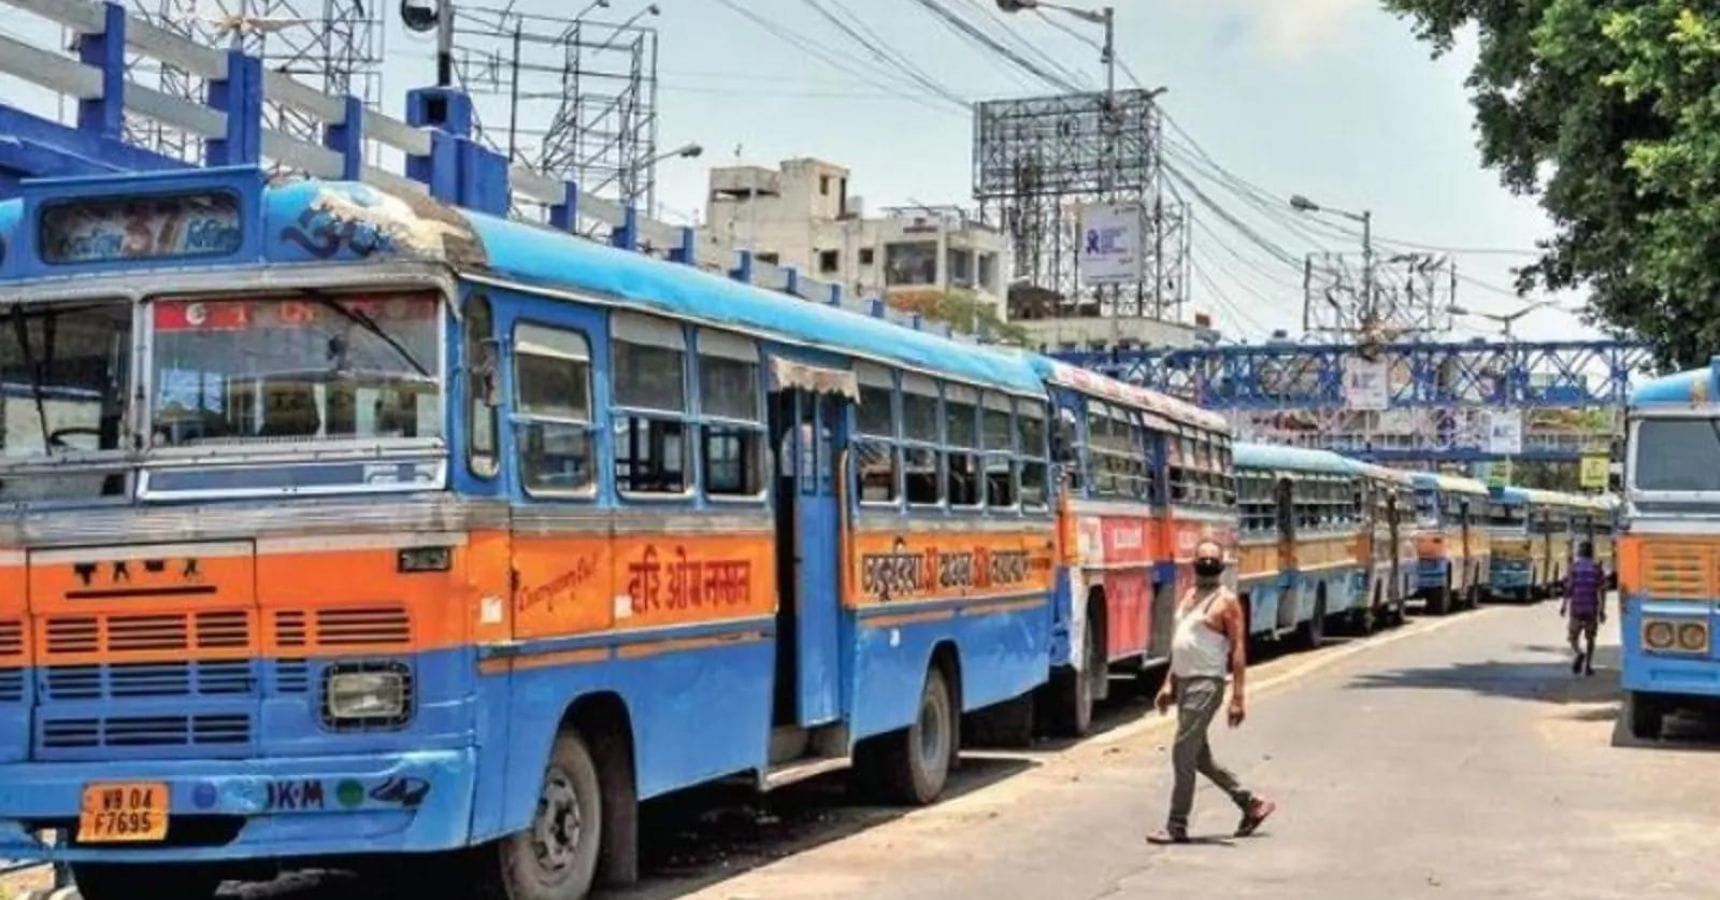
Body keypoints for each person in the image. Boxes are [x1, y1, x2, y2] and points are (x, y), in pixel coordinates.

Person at [1146, 538, 1276, 844]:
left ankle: (1177, 824)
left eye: (1212, 559)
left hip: (1207, 683)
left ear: (1221, 565)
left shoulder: (1226, 601)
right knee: (1199, 758)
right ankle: (1251, 804)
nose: (1206, 564)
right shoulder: (1188, 596)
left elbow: (1238, 648)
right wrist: (1169, 682)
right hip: (1186, 681)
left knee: (1182, 753)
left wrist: (1238, 697)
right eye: (1201, 558)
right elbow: (1182, 644)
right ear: (1193, 563)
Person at [1562, 541, 1606, 676]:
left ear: (1579, 552)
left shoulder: (1573, 568)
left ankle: (1579, 653)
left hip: (1576, 607)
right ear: (1591, 553)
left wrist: (1563, 606)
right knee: (1591, 638)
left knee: (1572, 637)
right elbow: (1602, 590)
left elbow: (1569, 588)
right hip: (1591, 608)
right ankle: (1588, 666)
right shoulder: (1597, 568)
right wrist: (1602, 610)